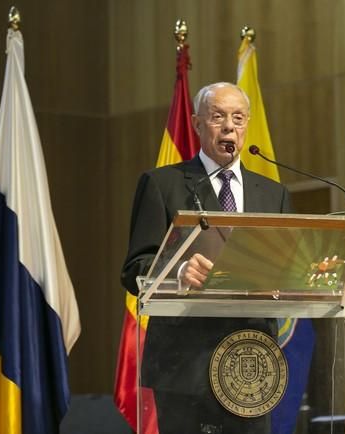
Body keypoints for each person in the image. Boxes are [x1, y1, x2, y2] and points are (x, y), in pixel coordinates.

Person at [121, 82, 291, 434]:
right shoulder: (162, 184)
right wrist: (178, 271)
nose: (230, 126)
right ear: (198, 124)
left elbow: (284, 269)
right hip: (185, 362)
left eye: (238, 118)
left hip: (251, 360)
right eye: (218, 117)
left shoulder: (274, 194)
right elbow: (135, 267)